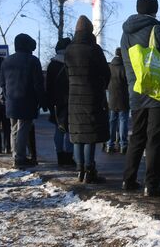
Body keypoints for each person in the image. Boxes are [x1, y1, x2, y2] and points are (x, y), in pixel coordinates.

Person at [120, 0, 160, 197]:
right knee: (155, 139)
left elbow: (128, 63)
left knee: (137, 137)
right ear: (154, 9)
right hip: (157, 92)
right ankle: (151, 185)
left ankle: (128, 180)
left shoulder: (125, 34)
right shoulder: (156, 29)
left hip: (136, 91)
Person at [65, 15, 111, 184]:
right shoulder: (94, 49)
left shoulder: (69, 50)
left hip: (74, 98)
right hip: (92, 96)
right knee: (90, 135)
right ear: (90, 31)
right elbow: (106, 73)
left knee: (77, 134)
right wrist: (101, 86)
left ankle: (80, 170)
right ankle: (90, 171)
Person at [0, 33, 45, 169]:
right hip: (27, 100)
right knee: (23, 129)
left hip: (11, 101)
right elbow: (38, 84)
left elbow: (2, 83)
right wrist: (42, 101)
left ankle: (15, 155)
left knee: (14, 129)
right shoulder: (33, 60)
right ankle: (20, 158)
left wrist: (7, 95)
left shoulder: (6, 61)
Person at [46, 37, 75, 166]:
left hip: (56, 102)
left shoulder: (52, 64)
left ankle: (59, 155)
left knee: (59, 129)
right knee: (70, 129)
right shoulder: (72, 63)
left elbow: (48, 85)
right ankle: (69, 156)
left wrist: (48, 103)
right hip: (71, 100)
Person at [106, 47, 130, 154]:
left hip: (111, 98)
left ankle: (109, 144)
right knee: (123, 121)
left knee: (112, 122)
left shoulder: (109, 67)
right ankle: (123, 144)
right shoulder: (125, 68)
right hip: (123, 98)